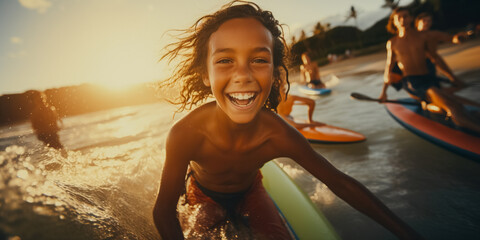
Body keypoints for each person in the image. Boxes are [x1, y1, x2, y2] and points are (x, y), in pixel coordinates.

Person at [153, 2, 422, 240]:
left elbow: (340, 182)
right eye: (225, 60)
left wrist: (407, 233)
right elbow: (163, 213)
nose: (243, 75)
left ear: (274, 73)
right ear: (206, 75)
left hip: (251, 191)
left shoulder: (278, 135)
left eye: (259, 59)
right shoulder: (186, 134)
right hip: (203, 194)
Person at [380, 7, 480, 134]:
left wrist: (458, 38)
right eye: (398, 18)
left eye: (405, 16)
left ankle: (428, 106)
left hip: (428, 78)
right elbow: (388, 67)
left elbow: (437, 55)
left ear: (410, 18)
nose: (402, 20)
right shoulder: (392, 43)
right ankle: (460, 121)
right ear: (394, 22)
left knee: (456, 104)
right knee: (452, 106)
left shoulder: (423, 36)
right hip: (413, 82)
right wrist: (384, 93)